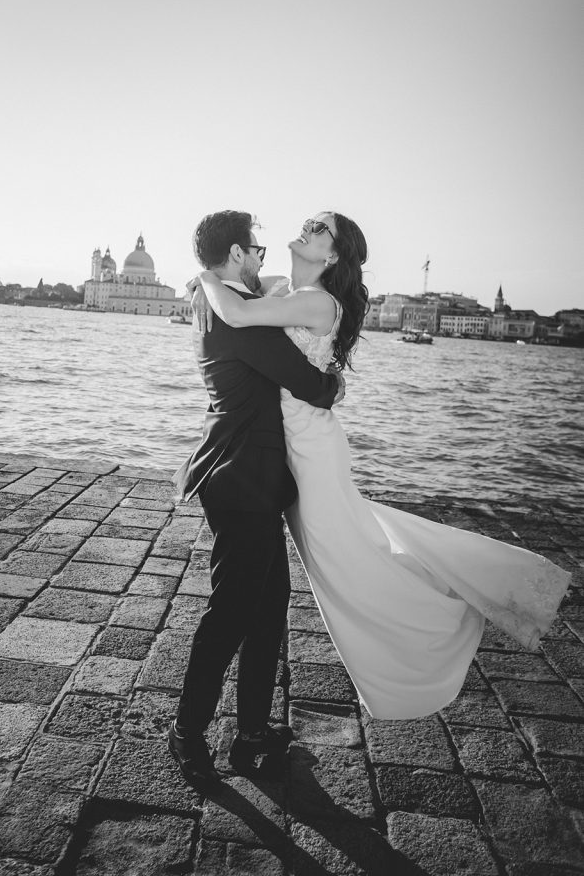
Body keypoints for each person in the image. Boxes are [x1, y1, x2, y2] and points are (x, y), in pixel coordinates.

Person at [192, 210, 572, 722]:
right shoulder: (279, 287)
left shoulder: (315, 301)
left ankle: (444, 616)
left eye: (320, 228)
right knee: (307, 573)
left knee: (349, 556)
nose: (306, 227)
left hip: (308, 447)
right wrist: (208, 281)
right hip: (282, 452)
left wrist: (205, 277)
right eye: (310, 221)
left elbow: (238, 314)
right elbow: (243, 301)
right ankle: (254, 727)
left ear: (333, 256)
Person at [169, 210, 342, 784]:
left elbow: (271, 295)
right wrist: (334, 382)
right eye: (257, 251)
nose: (263, 259)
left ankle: (251, 733)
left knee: (267, 611)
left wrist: (206, 277)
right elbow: (308, 382)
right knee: (232, 613)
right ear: (239, 254)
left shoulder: (224, 302)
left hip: (251, 479)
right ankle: (187, 731)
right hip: (241, 479)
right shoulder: (236, 319)